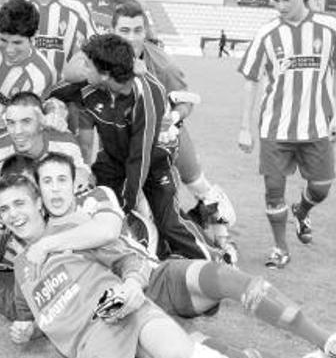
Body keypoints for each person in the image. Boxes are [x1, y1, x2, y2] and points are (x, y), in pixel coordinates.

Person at [0, 175, 326, 358]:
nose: (13, 214)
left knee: (181, 353)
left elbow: (127, 260)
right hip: (90, 348)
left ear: (38, 204)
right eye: (4, 209)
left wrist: (131, 286)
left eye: (19, 203)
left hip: (121, 312)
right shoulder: (22, 265)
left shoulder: (72, 229)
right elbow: (25, 312)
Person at [28, 153, 336, 358]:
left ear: (75, 183)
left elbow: (103, 231)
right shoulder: (38, 235)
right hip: (122, 315)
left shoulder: (96, 198)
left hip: (153, 278)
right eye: (47, 182)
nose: (56, 188)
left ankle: (329, 342)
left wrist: (48, 245)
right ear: (38, 189)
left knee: (222, 276)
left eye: (62, 179)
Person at [49, 35, 217, 261]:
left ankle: (215, 260)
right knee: (92, 208)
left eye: (87, 65)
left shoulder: (148, 93)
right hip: (112, 162)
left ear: (106, 73)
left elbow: (140, 157)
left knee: (169, 224)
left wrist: (125, 207)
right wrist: (50, 107)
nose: (83, 69)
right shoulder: (90, 86)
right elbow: (55, 93)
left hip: (154, 164)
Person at [237, 0, 336, 268]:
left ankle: (302, 211)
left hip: (317, 126)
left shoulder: (329, 27)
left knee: (322, 187)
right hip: (276, 128)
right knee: (273, 191)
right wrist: (244, 127)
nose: (281, 7)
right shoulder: (267, 32)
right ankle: (280, 248)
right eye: (275, 1)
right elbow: (251, 78)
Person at [107, 2, 239, 261]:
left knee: (200, 188)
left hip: (167, 138)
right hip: (128, 142)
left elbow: (186, 99)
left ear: (146, 31)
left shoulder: (162, 64)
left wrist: (174, 116)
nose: (131, 38)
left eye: (137, 30)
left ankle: (223, 240)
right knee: (137, 201)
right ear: (112, 30)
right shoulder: (103, 59)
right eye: (124, 30)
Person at [0, 92, 90, 187]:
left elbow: (86, 175)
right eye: (11, 123)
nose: (17, 131)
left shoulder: (64, 142)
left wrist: (82, 176)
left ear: (42, 123)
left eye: (26, 121)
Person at [0, 0, 57, 106]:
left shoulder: (39, 76)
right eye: (3, 40)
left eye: (17, 43)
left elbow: (21, 119)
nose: (9, 50)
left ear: (34, 36)